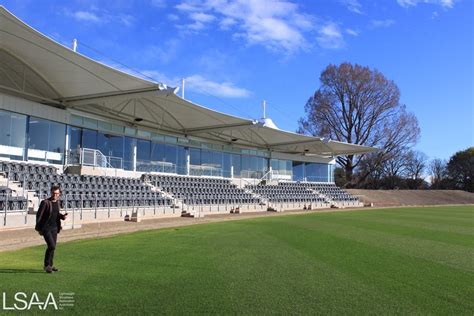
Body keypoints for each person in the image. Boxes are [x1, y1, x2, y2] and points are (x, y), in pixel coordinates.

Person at [36, 185, 67, 273]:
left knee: (53, 247)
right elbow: (39, 215)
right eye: (53, 193)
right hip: (46, 228)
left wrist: (62, 217)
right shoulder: (45, 202)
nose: (55, 195)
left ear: (59, 194)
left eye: (57, 193)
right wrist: (39, 229)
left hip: (54, 228)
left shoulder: (57, 202)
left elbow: (56, 214)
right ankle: (46, 266)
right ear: (51, 192)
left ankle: (51, 265)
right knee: (51, 246)